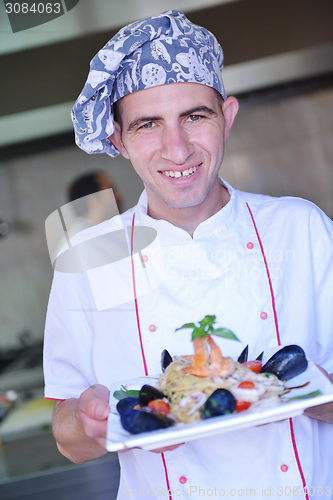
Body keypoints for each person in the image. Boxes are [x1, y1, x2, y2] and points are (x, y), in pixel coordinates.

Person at [44, 10, 333, 500]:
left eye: (195, 117)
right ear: (118, 140)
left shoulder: (299, 227)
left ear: (227, 118)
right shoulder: (96, 256)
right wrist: (87, 418)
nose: (176, 150)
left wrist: (313, 393)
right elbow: (69, 440)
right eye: (147, 125)